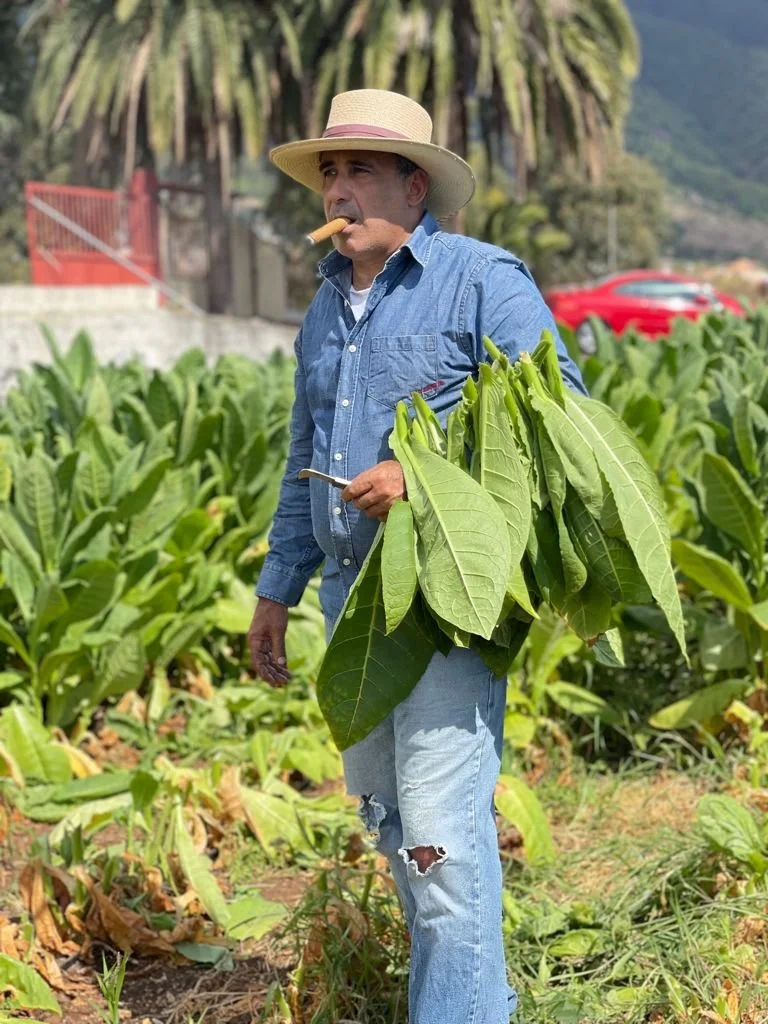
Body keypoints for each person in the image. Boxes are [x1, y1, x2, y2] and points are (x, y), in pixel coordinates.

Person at [249, 88, 586, 1024]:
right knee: (397, 830)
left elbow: (556, 411)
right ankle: (474, 1002)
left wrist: (420, 471)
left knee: (442, 845)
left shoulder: (483, 281)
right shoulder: (323, 311)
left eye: (360, 171)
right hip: (353, 601)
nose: (340, 193)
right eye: (330, 174)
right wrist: (278, 590)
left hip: (446, 598)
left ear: (414, 185)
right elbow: (299, 459)